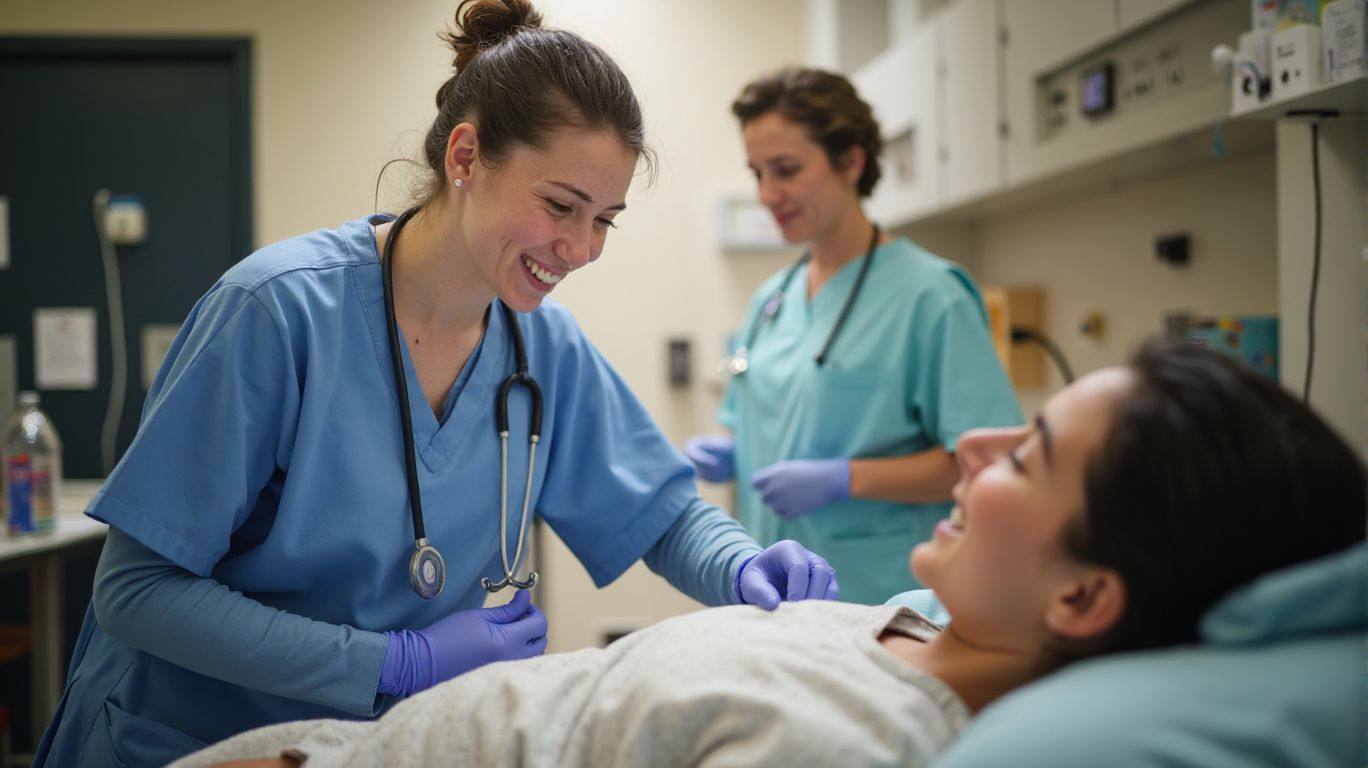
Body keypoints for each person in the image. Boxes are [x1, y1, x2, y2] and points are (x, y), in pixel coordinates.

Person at [34, 3, 840, 766]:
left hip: (371, 745)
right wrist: (399, 660)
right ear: (464, 157)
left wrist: (742, 565)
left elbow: (657, 516)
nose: (583, 248)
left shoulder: (538, 344)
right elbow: (137, 591)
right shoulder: (277, 314)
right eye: (561, 205)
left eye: (604, 219)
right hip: (193, 739)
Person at [170, 340, 1366, 768]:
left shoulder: (845, 743)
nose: (973, 448)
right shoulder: (897, 628)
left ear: (1088, 594)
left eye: (1032, 454)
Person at [685, 67, 1023, 604]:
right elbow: (763, 422)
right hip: (768, 594)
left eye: (786, 169)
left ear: (850, 161)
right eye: (757, 174)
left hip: (875, 599)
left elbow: (987, 461)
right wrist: (731, 450)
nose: (768, 194)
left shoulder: (932, 296)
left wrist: (846, 478)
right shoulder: (772, 300)